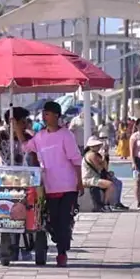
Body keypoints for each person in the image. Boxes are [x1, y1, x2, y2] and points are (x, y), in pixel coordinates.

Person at [21, 101, 83, 267]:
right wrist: (17, 129)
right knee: (52, 221)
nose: (44, 116)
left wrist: (80, 182)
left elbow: (76, 160)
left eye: (47, 113)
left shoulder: (66, 135)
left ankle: (62, 253)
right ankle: (61, 238)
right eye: (43, 113)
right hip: (49, 186)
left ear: (56, 115)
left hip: (68, 186)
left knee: (62, 220)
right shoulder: (40, 136)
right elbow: (27, 147)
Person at [82, 136, 116, 210]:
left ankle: (108, 204)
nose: (98, 147)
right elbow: (100, 168)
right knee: (110, 185)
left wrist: (106, 156)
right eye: (96, 146)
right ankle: (105, 204)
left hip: (94, 177)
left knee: (115, 182)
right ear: (91, 147)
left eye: (98, 145)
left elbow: (105, 168)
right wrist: (103, 157)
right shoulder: (91, 155)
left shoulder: (96, 154)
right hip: (89, 179)